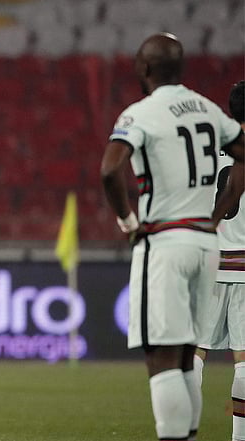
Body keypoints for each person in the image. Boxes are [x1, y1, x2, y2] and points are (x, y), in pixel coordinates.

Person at [100, 33, 244, 441]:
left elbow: (109, 170)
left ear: (144, 68)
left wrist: (128, 222)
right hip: (206, 246)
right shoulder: (208, 110)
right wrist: (215, 215)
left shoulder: (141, 113)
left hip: (165, 241)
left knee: (169, 360)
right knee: (187, 358)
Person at [191, 80, 245, 441]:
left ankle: (182, 432)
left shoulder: (207, 148)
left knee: (195, 354)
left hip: (209, 262)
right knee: (244, 360)